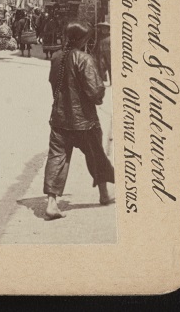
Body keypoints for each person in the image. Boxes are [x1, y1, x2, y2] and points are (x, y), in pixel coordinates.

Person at [43, 21, 114, 219]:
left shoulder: (56, 57)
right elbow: (95, 91)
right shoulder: (84, 59)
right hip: (85, 121)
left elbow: (54, 84)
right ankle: (103, 194)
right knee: (96, 155)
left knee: (57, 158)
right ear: (82, 39)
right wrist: (99, 96)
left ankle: (51, 203)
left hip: (59, 119)